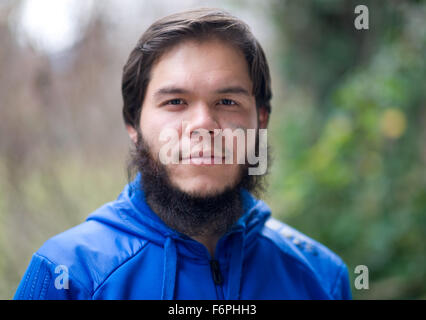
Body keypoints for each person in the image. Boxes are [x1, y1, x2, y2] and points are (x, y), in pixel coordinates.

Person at [14, 8, 352, 300]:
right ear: (133, 123)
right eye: (175, 102)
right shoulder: (68, 274)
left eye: (227, 102)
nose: (203, 124)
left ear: (260, 120)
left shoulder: (320, 276)